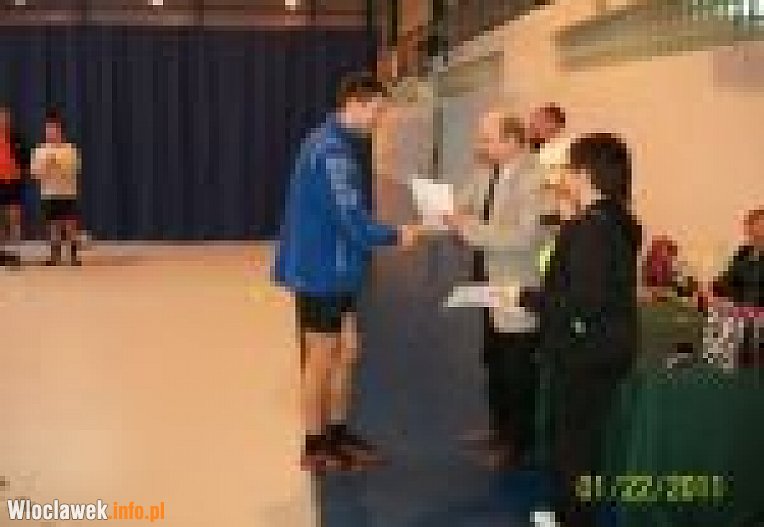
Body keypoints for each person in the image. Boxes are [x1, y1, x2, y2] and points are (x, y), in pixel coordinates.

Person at [273, 72, 420, 472]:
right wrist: (397, 234)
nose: (380, 119)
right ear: (355, 103)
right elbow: (352, 219)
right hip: (321, 271)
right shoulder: (332, 152)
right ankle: (314, 444)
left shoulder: (333, 142)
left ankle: (337, 432)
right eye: (377, 110)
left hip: (336, 269)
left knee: (348, 351)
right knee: (321, 359)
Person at [521, 133, 642, 527]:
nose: (562, 176)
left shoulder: (590, 228)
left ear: (586, 175)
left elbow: (583, 302)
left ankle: (572, 519)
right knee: (581, 439)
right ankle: (570, 514)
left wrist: (524, 297)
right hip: (607, 347)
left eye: (568, 168)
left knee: (573, 444)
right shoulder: (617, 219)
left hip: (587, 352)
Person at [446, 111, 550, 468]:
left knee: (517, 367)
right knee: (493, 358)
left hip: (519, 285)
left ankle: (518, 444)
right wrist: (451, 214)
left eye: (487, 139)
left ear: (512, 141)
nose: (480, 145)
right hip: (489, 279)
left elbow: (525, 237)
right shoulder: (486, 171)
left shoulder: (535, 179)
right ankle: (499, 429)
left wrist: (469, 228)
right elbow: (462, 205)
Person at [30, 109, 82, 266]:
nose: (51, 133)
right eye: (48, 130)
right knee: (53, 225)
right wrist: (46, 167)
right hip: (48, 193)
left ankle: (74, 255)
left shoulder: (69, 149)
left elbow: (74, 169)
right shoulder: (40, 150)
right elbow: (35, 173)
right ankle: (55, 255)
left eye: (54, 129)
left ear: (60, 131)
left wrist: (57, 165)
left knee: (70, 225)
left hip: (67, 193)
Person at [0, 106, 29, 267]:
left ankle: (15, 252)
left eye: (5, 118)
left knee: (14, 218)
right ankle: (2, 252)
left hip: (13, 183)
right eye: (1, 118)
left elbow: (25, 158)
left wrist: (21, 171)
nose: (3, 121)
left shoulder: (16, 138)